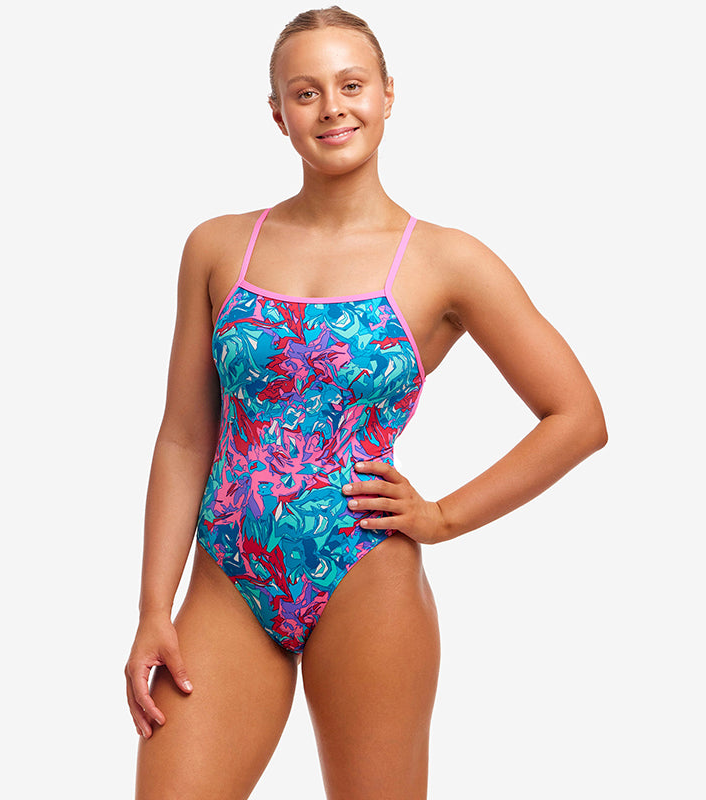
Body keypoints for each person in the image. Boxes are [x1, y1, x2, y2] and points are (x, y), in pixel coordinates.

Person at [125, 6, 607, 798]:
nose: (332, 108)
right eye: (306, 92)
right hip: (227, 576)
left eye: (351, 85)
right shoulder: (217, 247)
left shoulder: (448, 261)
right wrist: (153, 606)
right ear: (278, 115)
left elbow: (578, 417)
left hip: (365, 574)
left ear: (387, 95)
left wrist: (442, 517)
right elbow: (184, 437)